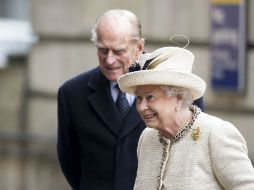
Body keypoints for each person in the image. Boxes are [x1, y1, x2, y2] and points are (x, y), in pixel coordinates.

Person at [57, 9, 204, 190]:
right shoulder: (72, 93)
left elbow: (194, 151)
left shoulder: (179, 88)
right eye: (103, 50)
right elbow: (69, 159)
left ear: (139, 48)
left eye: (118, 51)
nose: (110, 60)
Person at [117, 46, 254, 190]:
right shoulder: (147, 138)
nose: (142, 106)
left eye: (150, 97)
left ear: (179, 98)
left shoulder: (215, 134)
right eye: (139, 98)